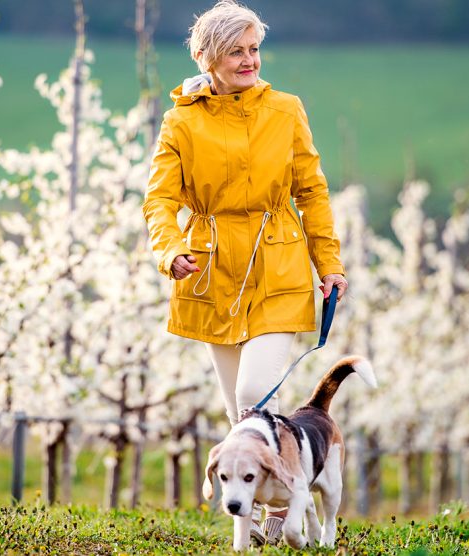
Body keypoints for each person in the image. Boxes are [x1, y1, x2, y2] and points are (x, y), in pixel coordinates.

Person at [142, 0, 348, 544]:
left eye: (254, 48)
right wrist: (168, 252)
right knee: (239, 411)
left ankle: (282, 513)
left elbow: (312, 191)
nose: (250, 59)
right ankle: (252, 520)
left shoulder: (286, 109)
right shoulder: (180, 121)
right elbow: (159, 201)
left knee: (258, 394)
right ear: (209, 58)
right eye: (237, 51)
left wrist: (329, 263)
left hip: (278, 263)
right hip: (211, 275)